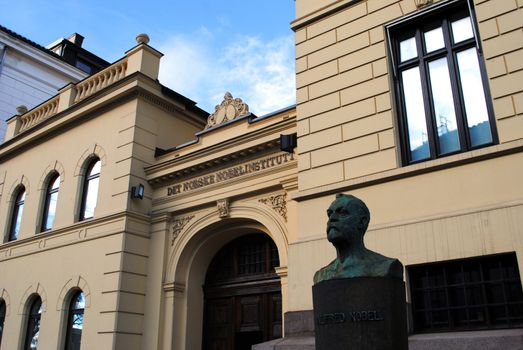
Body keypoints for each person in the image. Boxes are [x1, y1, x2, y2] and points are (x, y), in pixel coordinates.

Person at [313, 194, 403, 284]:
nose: (332, 219)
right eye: (329, 214)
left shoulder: (385, 266)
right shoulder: (321, 275)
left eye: (342, 213)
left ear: (362, 222)